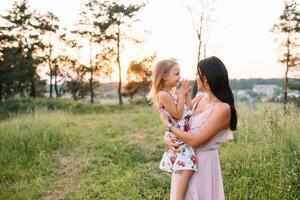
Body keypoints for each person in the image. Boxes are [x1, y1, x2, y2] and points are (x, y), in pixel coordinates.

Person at [160, 56, 237, 200]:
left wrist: (168, 126)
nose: (195, 77)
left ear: (206, 78)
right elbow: (184, 121)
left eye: (197, 73)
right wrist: (167, 137)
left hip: (203, 165)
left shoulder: (222, 108)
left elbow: (195, 141)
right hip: (184, 160)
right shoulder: (200, 98)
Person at [148, 59, 198, 200]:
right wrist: (181, 95)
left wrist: (186, 94)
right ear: (164, 76)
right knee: (187, 167)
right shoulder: (163, 95)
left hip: (184, 132)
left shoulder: (174, 93)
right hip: (179, 136)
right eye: (176, 74)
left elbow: (190, 108)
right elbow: (177, 114)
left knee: (186, 167)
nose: (179, 77)